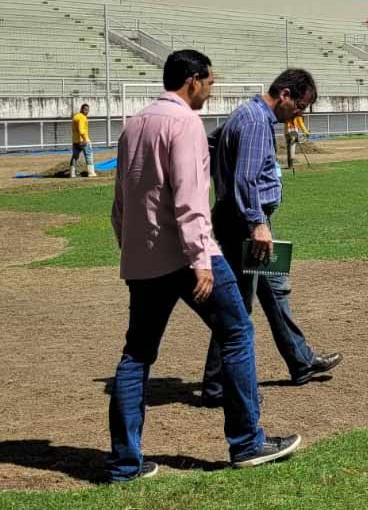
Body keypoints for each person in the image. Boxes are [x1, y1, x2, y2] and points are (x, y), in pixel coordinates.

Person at [109, 50, 300, 482]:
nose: (210, 93)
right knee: (236, 331)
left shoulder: (133, 124)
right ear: (193, 80)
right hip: (189, 254)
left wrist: (132, 251)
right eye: (210, 84)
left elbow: (120, 205)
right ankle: (247, 441)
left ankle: (125, 463)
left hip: (143, 259)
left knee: (136, 355)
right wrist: (201, 259)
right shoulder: (186, 125)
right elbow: (191, 200)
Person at [202, 68, 342, 407]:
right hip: (245, 224)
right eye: (300, 106)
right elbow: (247, 179)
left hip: (248, 219)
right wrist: (256, 223)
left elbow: (211, 141)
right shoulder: (253, 122)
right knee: (238, 305)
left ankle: (301, 360)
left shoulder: (248, 115)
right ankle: (218, 386)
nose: (300, 114)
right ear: (285, 95)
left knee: (276, 290)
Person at [70, 103, 96, 177]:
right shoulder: (82, 117)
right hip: (84, 141)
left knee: (75, 157)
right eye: (85, 110)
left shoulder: (75, 117)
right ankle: (91, 173)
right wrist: (85, 139)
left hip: (75, 141)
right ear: (81, 109)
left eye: (88, 110)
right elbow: (81, 130)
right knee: (89, 155)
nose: (87, 111)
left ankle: (72, 173)